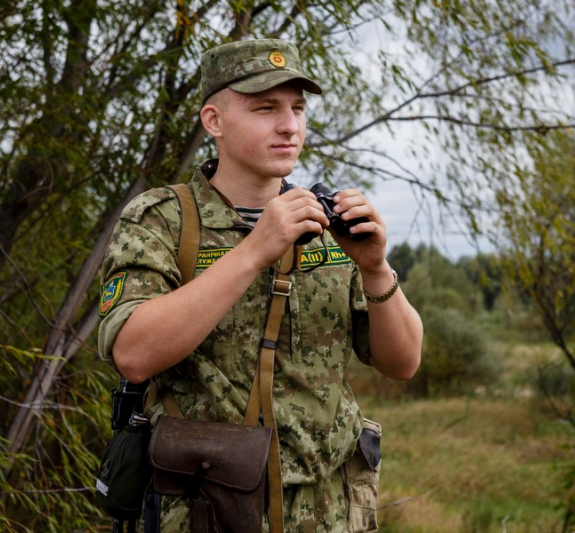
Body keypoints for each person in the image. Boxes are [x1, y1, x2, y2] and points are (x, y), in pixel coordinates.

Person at [97, 38, 423, 533]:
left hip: (329, 513)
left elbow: (403, 362)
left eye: (297, 108)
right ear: (215, 121)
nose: (289, 125)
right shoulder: (161, 220)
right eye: (265, 108)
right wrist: (253, 251)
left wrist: (377, 270)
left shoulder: (327, 224)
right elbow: (134, 354)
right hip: (207, 511)